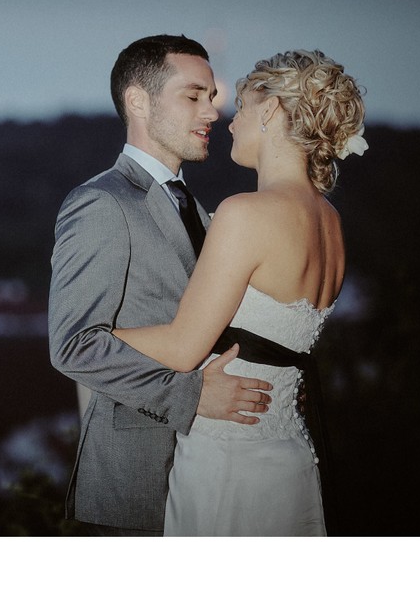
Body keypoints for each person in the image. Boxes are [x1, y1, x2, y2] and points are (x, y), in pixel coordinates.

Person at [113, 48, 367, 536]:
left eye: (243, 107)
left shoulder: (245, 213)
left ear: (271, 109)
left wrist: (94, 334)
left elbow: (183, 347)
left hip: (228, 454)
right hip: (289, 452)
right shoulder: (330, 222)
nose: (229, 122)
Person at [48, 34, 274, 536]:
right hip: (135, 482)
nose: (212, 112)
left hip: (216, 474)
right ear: (138, 101)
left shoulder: (200, 210)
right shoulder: (101, 204)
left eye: (211, 98)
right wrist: (192, 397)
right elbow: (73, 346)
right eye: (193, 96)